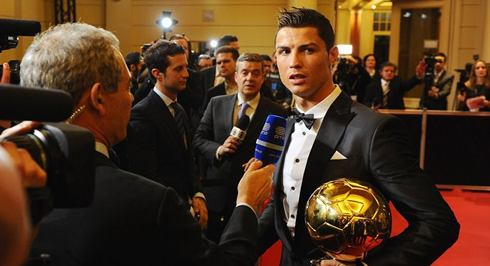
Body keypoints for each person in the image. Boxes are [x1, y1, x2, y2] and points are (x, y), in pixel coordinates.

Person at [21, 22, 275, 265]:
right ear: (98, 98)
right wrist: (247, 202)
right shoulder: (148, 201)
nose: (132, 98)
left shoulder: (13, 181)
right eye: (127, 87)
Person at [256, 8, 459, 266]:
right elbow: (282, 206)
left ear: (332, 56)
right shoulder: (284, 124)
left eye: (308, 50)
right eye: (285, 51)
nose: (294, 62)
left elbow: (438, 222)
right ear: (276, 59)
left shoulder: (374, 129)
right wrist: (232, 252)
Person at [193, 52, 288, 243]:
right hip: (217, 190)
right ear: (236, 76)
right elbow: (199, 139)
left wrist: (266, 163)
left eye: (255, 73)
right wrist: (219, 149)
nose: (249, 78)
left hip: (253, 194)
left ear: (263, 77)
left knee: (246, 247)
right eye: (244, 72)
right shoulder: (216, 103)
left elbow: (284, 151)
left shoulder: (277, 112)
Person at [127, 40, 208, 228]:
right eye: (178, 69)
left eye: (186, 67)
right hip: (162, 215)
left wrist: (198, 195)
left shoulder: (179, 109)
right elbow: (147, 175)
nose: (186, 74)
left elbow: (189, 160)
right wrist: (183, 208)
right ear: (157, 74)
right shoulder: (141, 114)